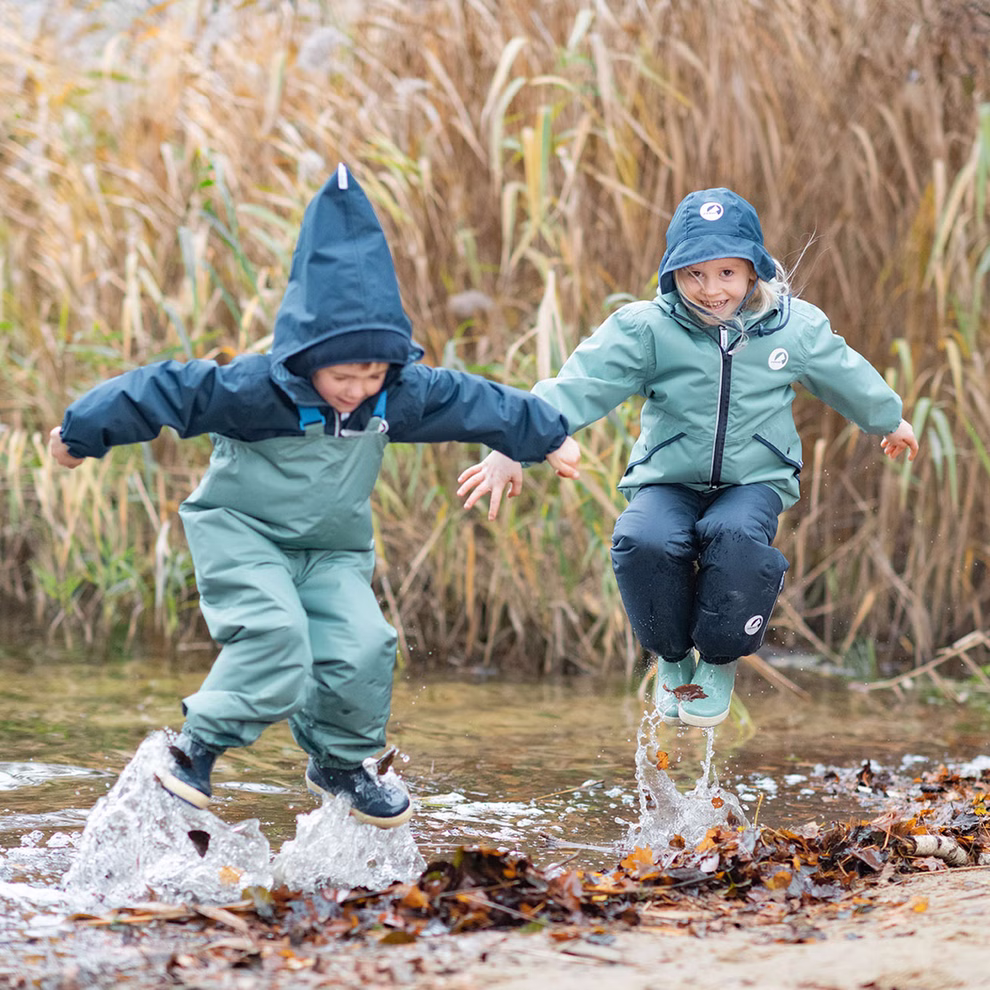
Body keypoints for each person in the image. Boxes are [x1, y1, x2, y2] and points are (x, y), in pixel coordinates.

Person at [49, 164, 580, 827]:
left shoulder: (397, 396)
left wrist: (547, 436)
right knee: (278, 637)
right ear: (305, 358)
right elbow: (160, 389)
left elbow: (473, 399)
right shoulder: (252, 391)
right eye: (342, 375)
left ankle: (341, 762)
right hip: (244, 535)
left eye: (373, 373)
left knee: (364, 644)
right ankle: (197, 748)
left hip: (331, 551)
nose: (357, 389)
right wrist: (79, 435)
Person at [458, 187, 918, 728]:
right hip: (668, 479)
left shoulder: (794, 328)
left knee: (735, 537)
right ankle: (673, 659)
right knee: (642, 538)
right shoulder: (648, 330)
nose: (710, 289)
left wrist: (889, 419)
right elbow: (579, 385)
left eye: (726, 272)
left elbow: (846, 374)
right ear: (673, 274)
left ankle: (719, 661)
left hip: (754, 480)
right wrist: (516, 443)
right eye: (694, 274)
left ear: (753, 271)